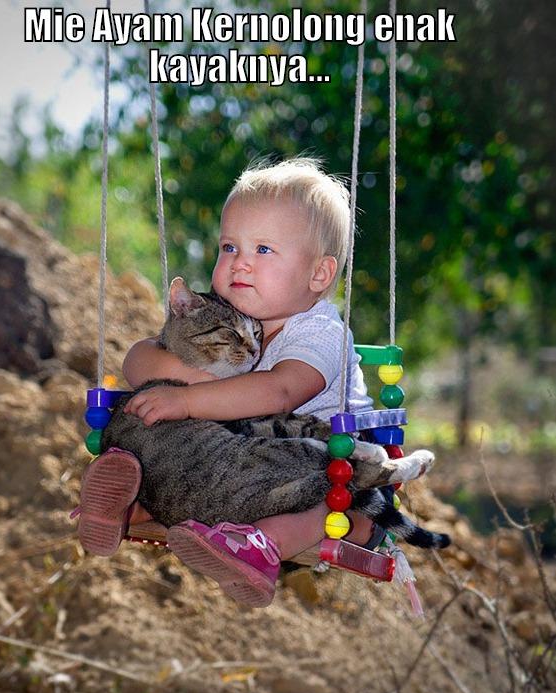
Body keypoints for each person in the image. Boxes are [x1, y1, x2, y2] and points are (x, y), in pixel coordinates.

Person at [80, 157, 381, 606]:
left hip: (334, 463)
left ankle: (260, 548)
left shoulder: (320, 332)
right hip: (246, 463)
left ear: (319, 274)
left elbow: (280, 391)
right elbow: (141, 357)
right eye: (228, 247)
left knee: (329, 503)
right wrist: (186, 379)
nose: (239, 264)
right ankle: (129, 501)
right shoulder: (234, 315)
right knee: (156, 426)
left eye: (263, 250)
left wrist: (188, 400)